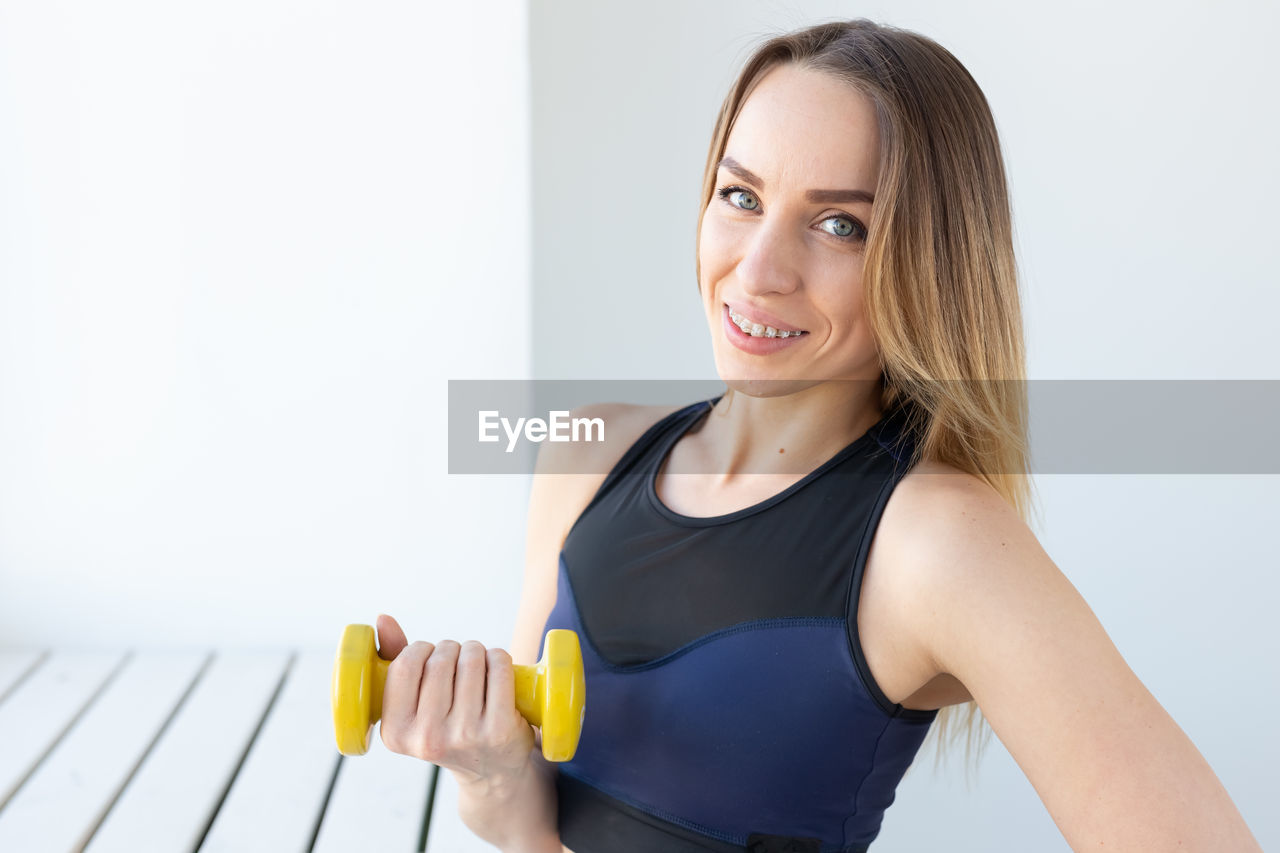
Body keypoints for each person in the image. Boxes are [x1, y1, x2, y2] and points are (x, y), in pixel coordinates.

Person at [374, 18, 1262, 853]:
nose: (759, 270)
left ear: (927, 264)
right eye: (741, 195)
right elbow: (547, 834)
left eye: (840, 224)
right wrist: (490, 772)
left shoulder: (937, 543)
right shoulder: (585, 454)